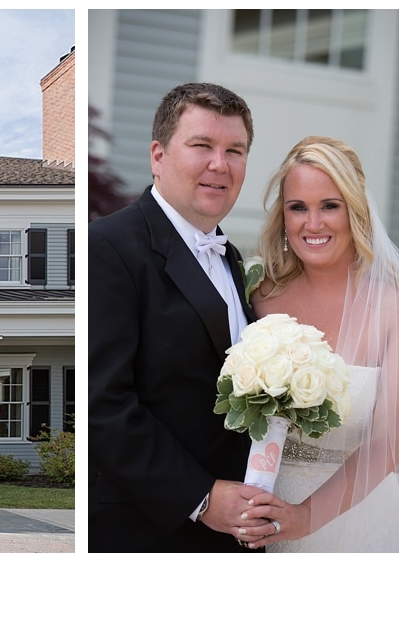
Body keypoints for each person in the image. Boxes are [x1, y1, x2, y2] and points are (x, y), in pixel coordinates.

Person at [232, 136, 399, 552]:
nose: (312, 224)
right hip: (257, 519)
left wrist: (304, 517)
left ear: (356, 209)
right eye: (298, 207)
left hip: (354, 523)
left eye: (330, 205)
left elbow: (387, 445)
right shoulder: (256, 296)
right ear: (283, 215)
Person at [89, 82, 268, 551]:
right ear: (158, 155)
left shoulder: (231, 257)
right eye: (202, 146)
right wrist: (203, 498)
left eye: (235, 150)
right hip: (142, 531)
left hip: (232, 534)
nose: (220, 164)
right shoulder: (107, 247)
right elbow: (101, 403)